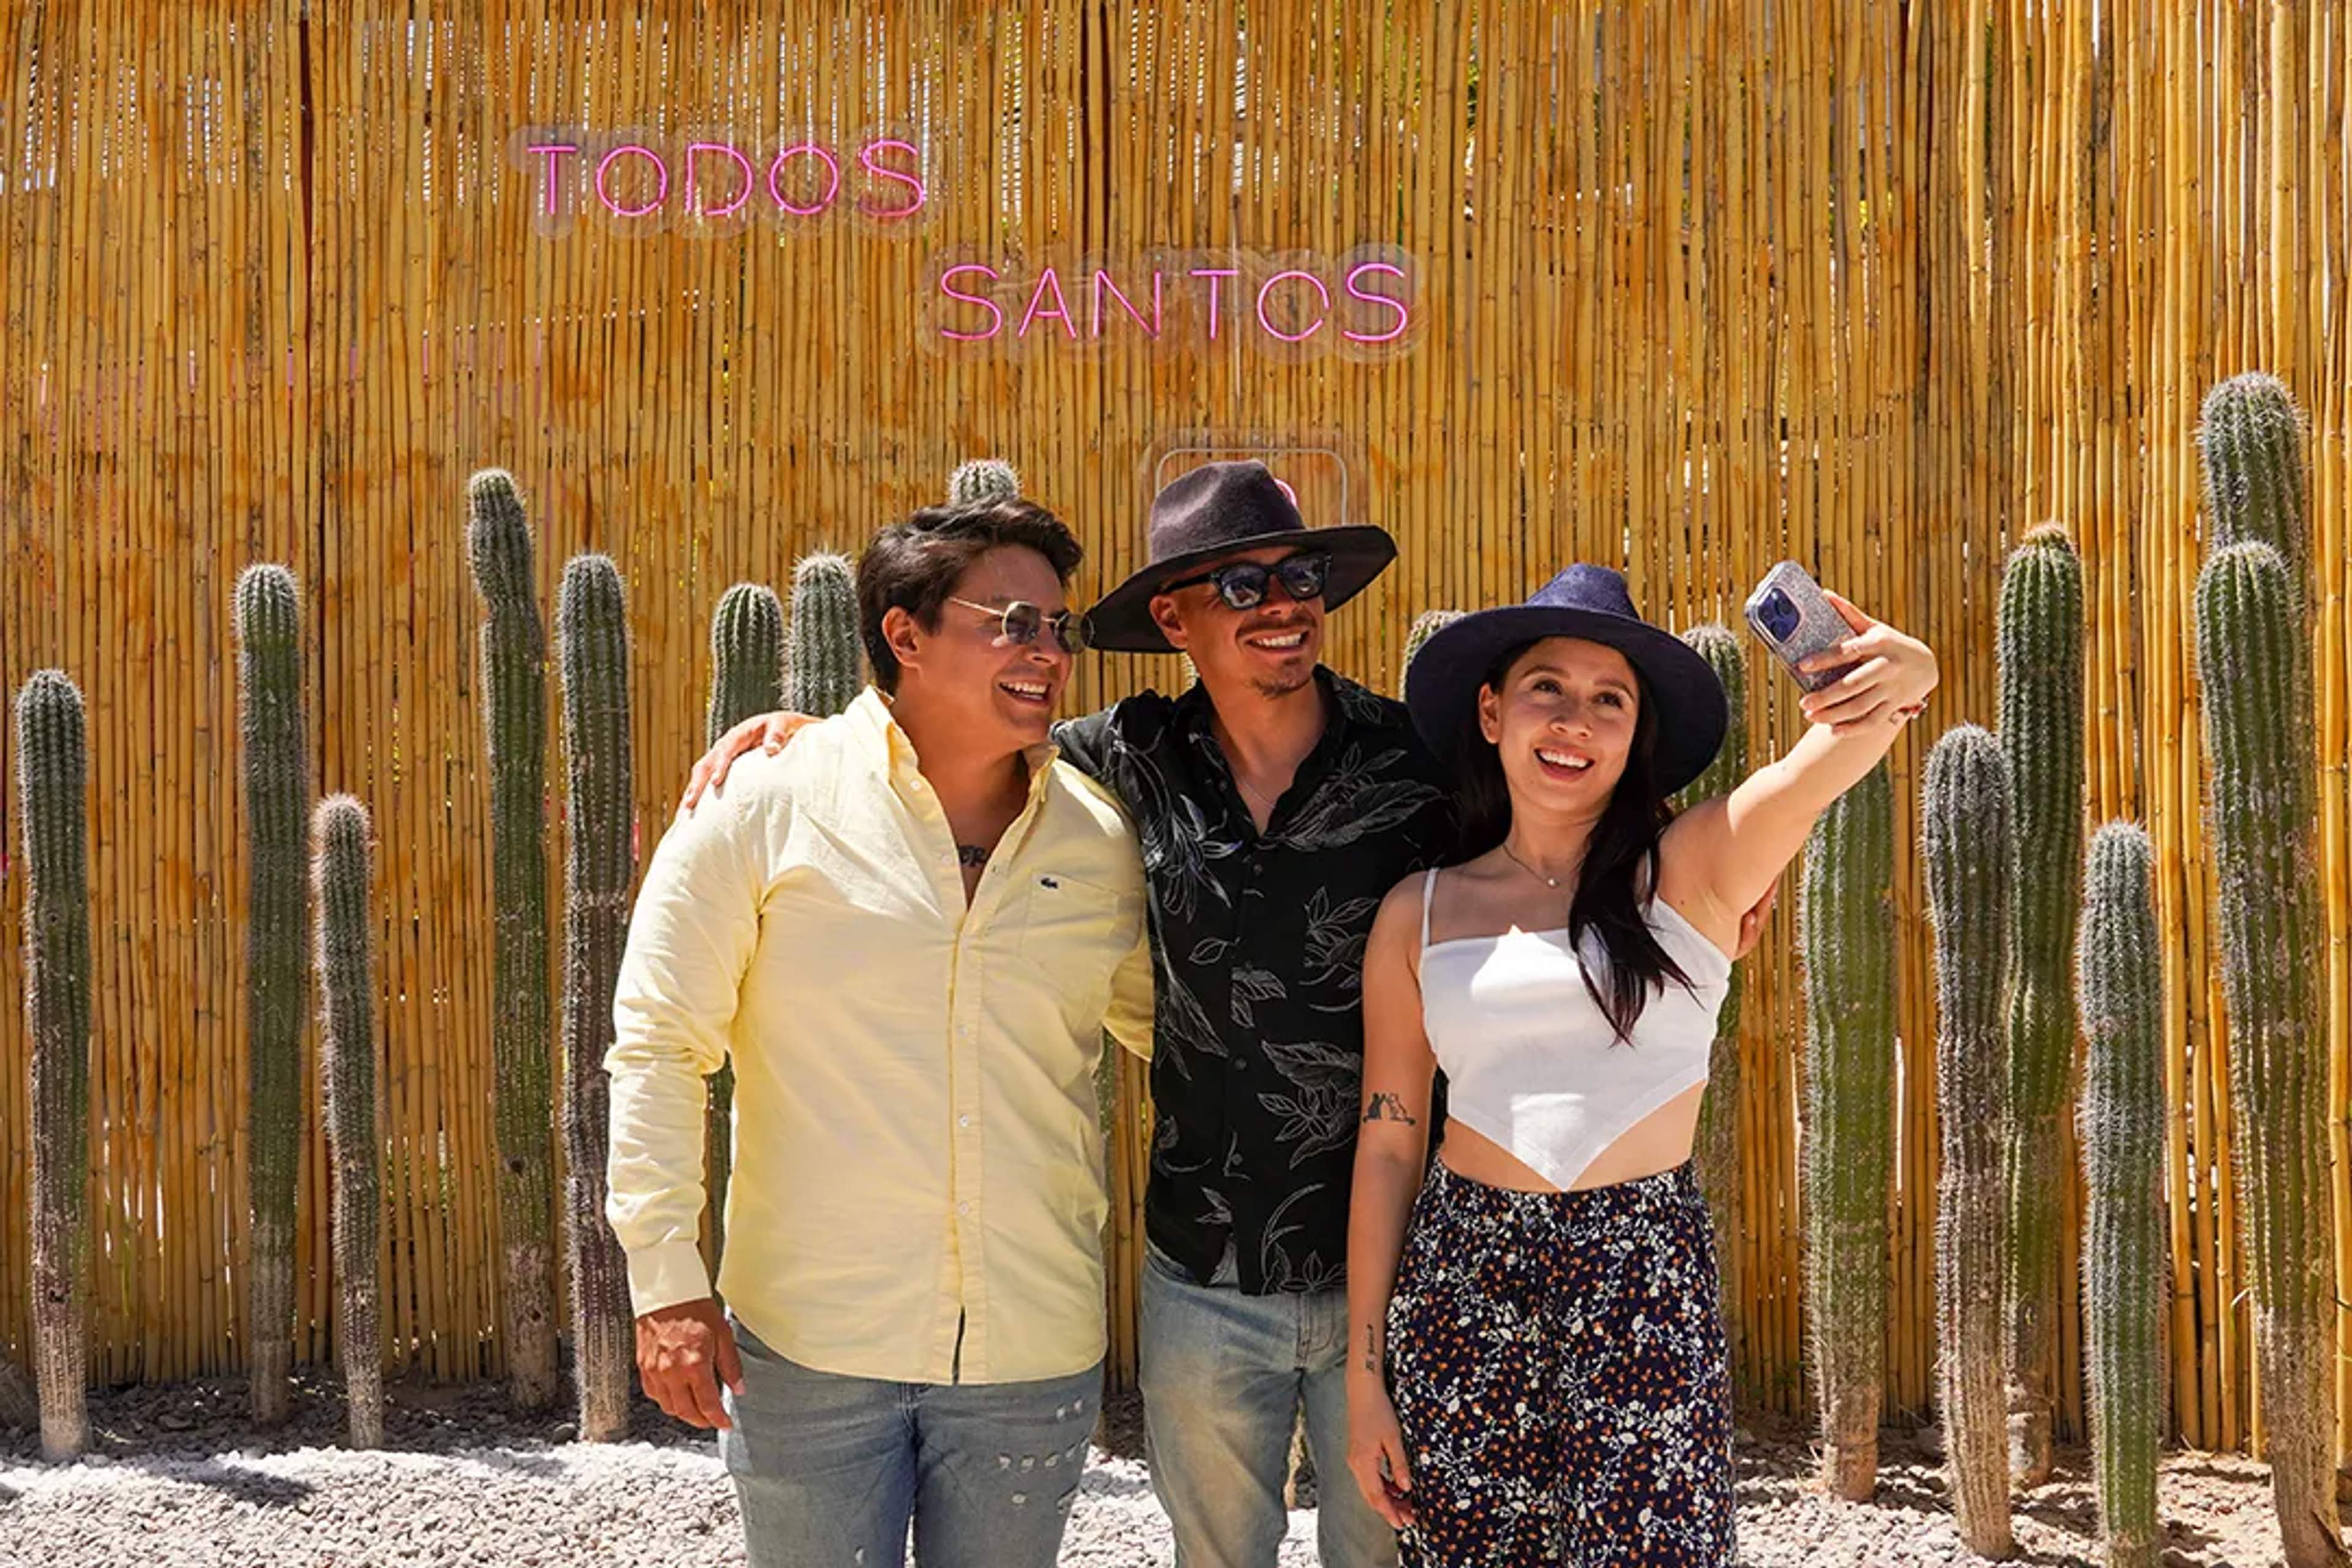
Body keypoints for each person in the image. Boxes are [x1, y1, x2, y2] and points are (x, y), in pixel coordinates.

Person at [684, 468, 1775, 1567]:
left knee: (1389, 1557)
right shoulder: (1109, 764)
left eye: (1299, 576)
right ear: (1174, 617)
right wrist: (814, 732)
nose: (1281, 603)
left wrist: (1676, 880)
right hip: (1203, 1262)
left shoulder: (1418, 766)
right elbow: (943, 740)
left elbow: (1562, 811)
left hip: (1396, 1264)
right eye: (1241, 584)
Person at [1343, 563, 1937, 1566]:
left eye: (1608, 701)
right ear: (1492, 713)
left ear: (1634, 739)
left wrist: (1907, 669)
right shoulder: (1420, 909)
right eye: (1548, 690)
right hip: (1461, 1281)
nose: (1575, 721)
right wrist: (1365, 1379)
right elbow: (1392, 1141)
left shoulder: (1697, 869)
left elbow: (1837, 755)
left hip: (1640, 1273)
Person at [603, 496, 1155, 1568]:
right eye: (1012, 623)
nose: (1048, 652)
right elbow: (662, 1043)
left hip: (1028, 1350)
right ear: (904, 635)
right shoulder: (764, 801)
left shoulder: (1100, 840)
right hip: (810, 1348)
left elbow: (1184, 1037)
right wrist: (666, 1278)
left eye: (1058, 629)